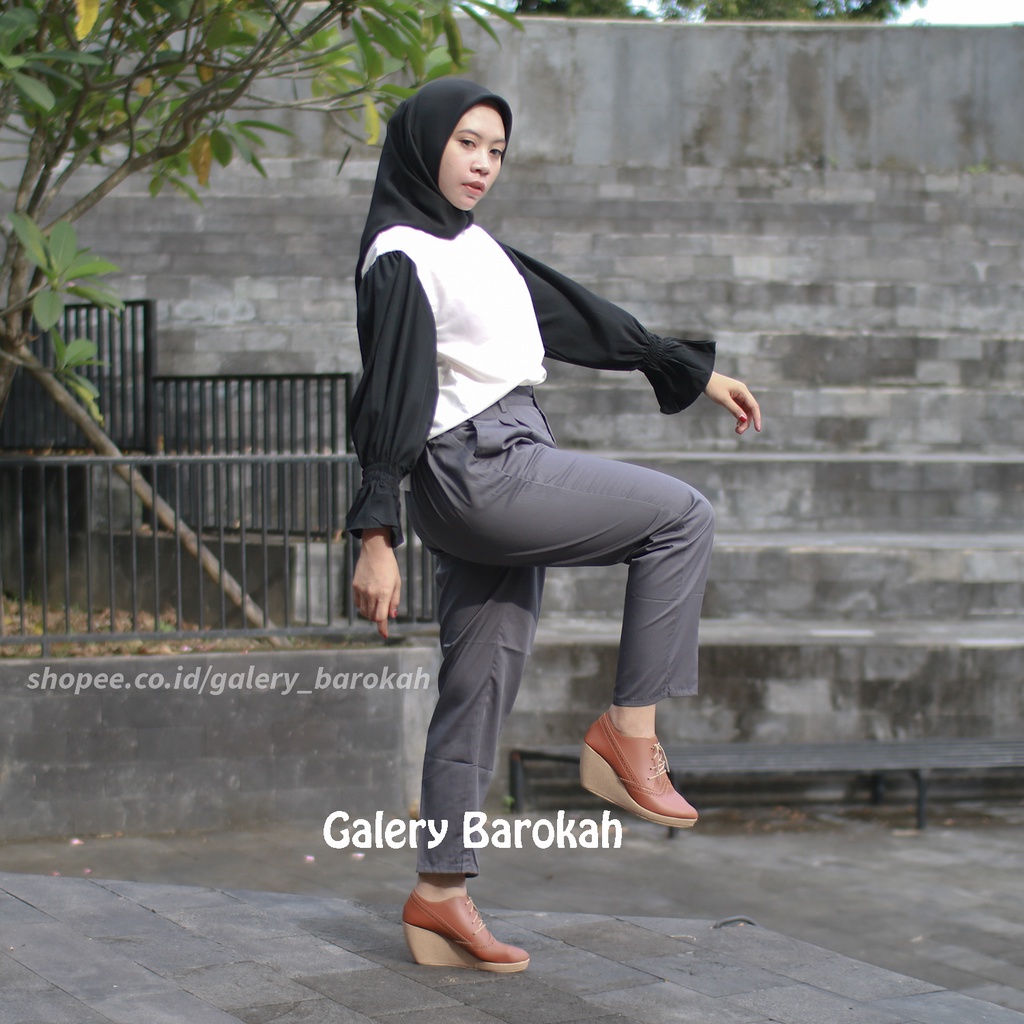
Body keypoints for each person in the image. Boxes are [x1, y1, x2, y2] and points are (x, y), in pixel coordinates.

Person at [346, 78, 761, 974]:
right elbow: (390, 388)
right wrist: (376, 534)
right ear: (423, 144)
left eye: (496, 150)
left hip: (501, 458)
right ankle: (628, 734)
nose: (482, 164)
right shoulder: (402, 253)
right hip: (481, 465)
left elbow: (570, 313)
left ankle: (440, 897)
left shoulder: (475, 247)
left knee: (477, 684)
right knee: (680, 517)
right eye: (466, 143)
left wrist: (688, 372)